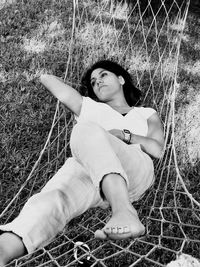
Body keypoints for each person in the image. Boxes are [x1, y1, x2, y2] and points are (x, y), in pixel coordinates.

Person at [0, 60, 164, 266]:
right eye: (93, 82)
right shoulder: (89, 107)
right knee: (55, 196)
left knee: (86, 128)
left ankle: (123, 210)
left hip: (134, 167)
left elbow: (157, 149)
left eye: (104, 75)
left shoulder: (145, 113)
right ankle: (6, 247)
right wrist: (76, 85)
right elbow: (47, 80)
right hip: (89, 166)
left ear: (121, 79)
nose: (98, 82)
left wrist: (124, 135)